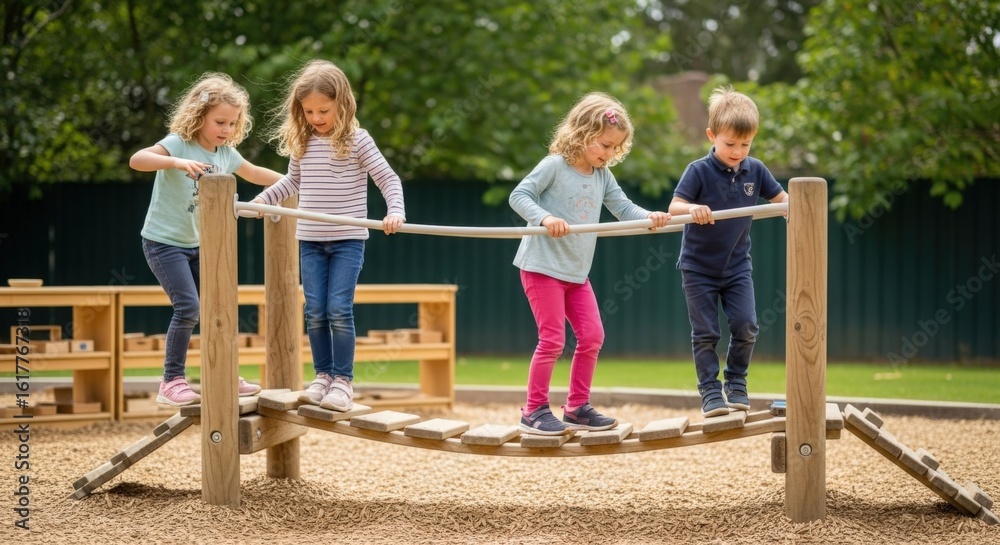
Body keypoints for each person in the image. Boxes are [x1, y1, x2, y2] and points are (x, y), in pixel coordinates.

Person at [509, 92, 670, 435]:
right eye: (604, 145)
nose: (608, 154)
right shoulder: (554, 166)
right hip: (542, 267)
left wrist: (650, 217)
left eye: (615, 148)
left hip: (575, 273)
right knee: (552, 339)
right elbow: (519, 195)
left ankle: (577, 407)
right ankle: (534, 410)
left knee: (593, 335)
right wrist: (545, 217)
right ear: (582, 133)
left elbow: (624, 208)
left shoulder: (602, 176)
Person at [250, 60, 405, 413]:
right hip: (310, 239)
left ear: (343, 104)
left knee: (338, 308)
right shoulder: (303, 141)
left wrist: (394, 210)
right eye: (308, 111)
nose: (316, 117)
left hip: (348, 240)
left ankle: (343, 382)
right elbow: (292, 181)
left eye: (324, 110)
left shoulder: (356, 140)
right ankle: (322, 377)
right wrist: (262, 199)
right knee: (316, 310)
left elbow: (388, 179)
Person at [130, 72, 284, 406]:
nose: (226, 130)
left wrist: (296, 181)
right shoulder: (178, 144)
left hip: (201, 245)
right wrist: (175, 161)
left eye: (232, 123)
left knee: (221, 307)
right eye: (220, 122)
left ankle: (225, 372)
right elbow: (137, 159)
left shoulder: (226, 154)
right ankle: (171, 382)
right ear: (200, 116)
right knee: (188, 307)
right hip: (164, 243)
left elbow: (256, 174)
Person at [668, 85, 789, 417]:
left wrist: (793, 208)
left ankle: (736, 382)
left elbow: (782, 201)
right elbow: (674, 205)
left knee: (747, 325)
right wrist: (693, 209)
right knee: (706, 332)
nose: (738, 151)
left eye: (745, 144)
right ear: (712, 136)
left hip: (736, 266)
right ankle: (709, 390)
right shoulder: (698, 171)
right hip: (698, 268)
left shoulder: (756, 170)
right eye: (730, 144)